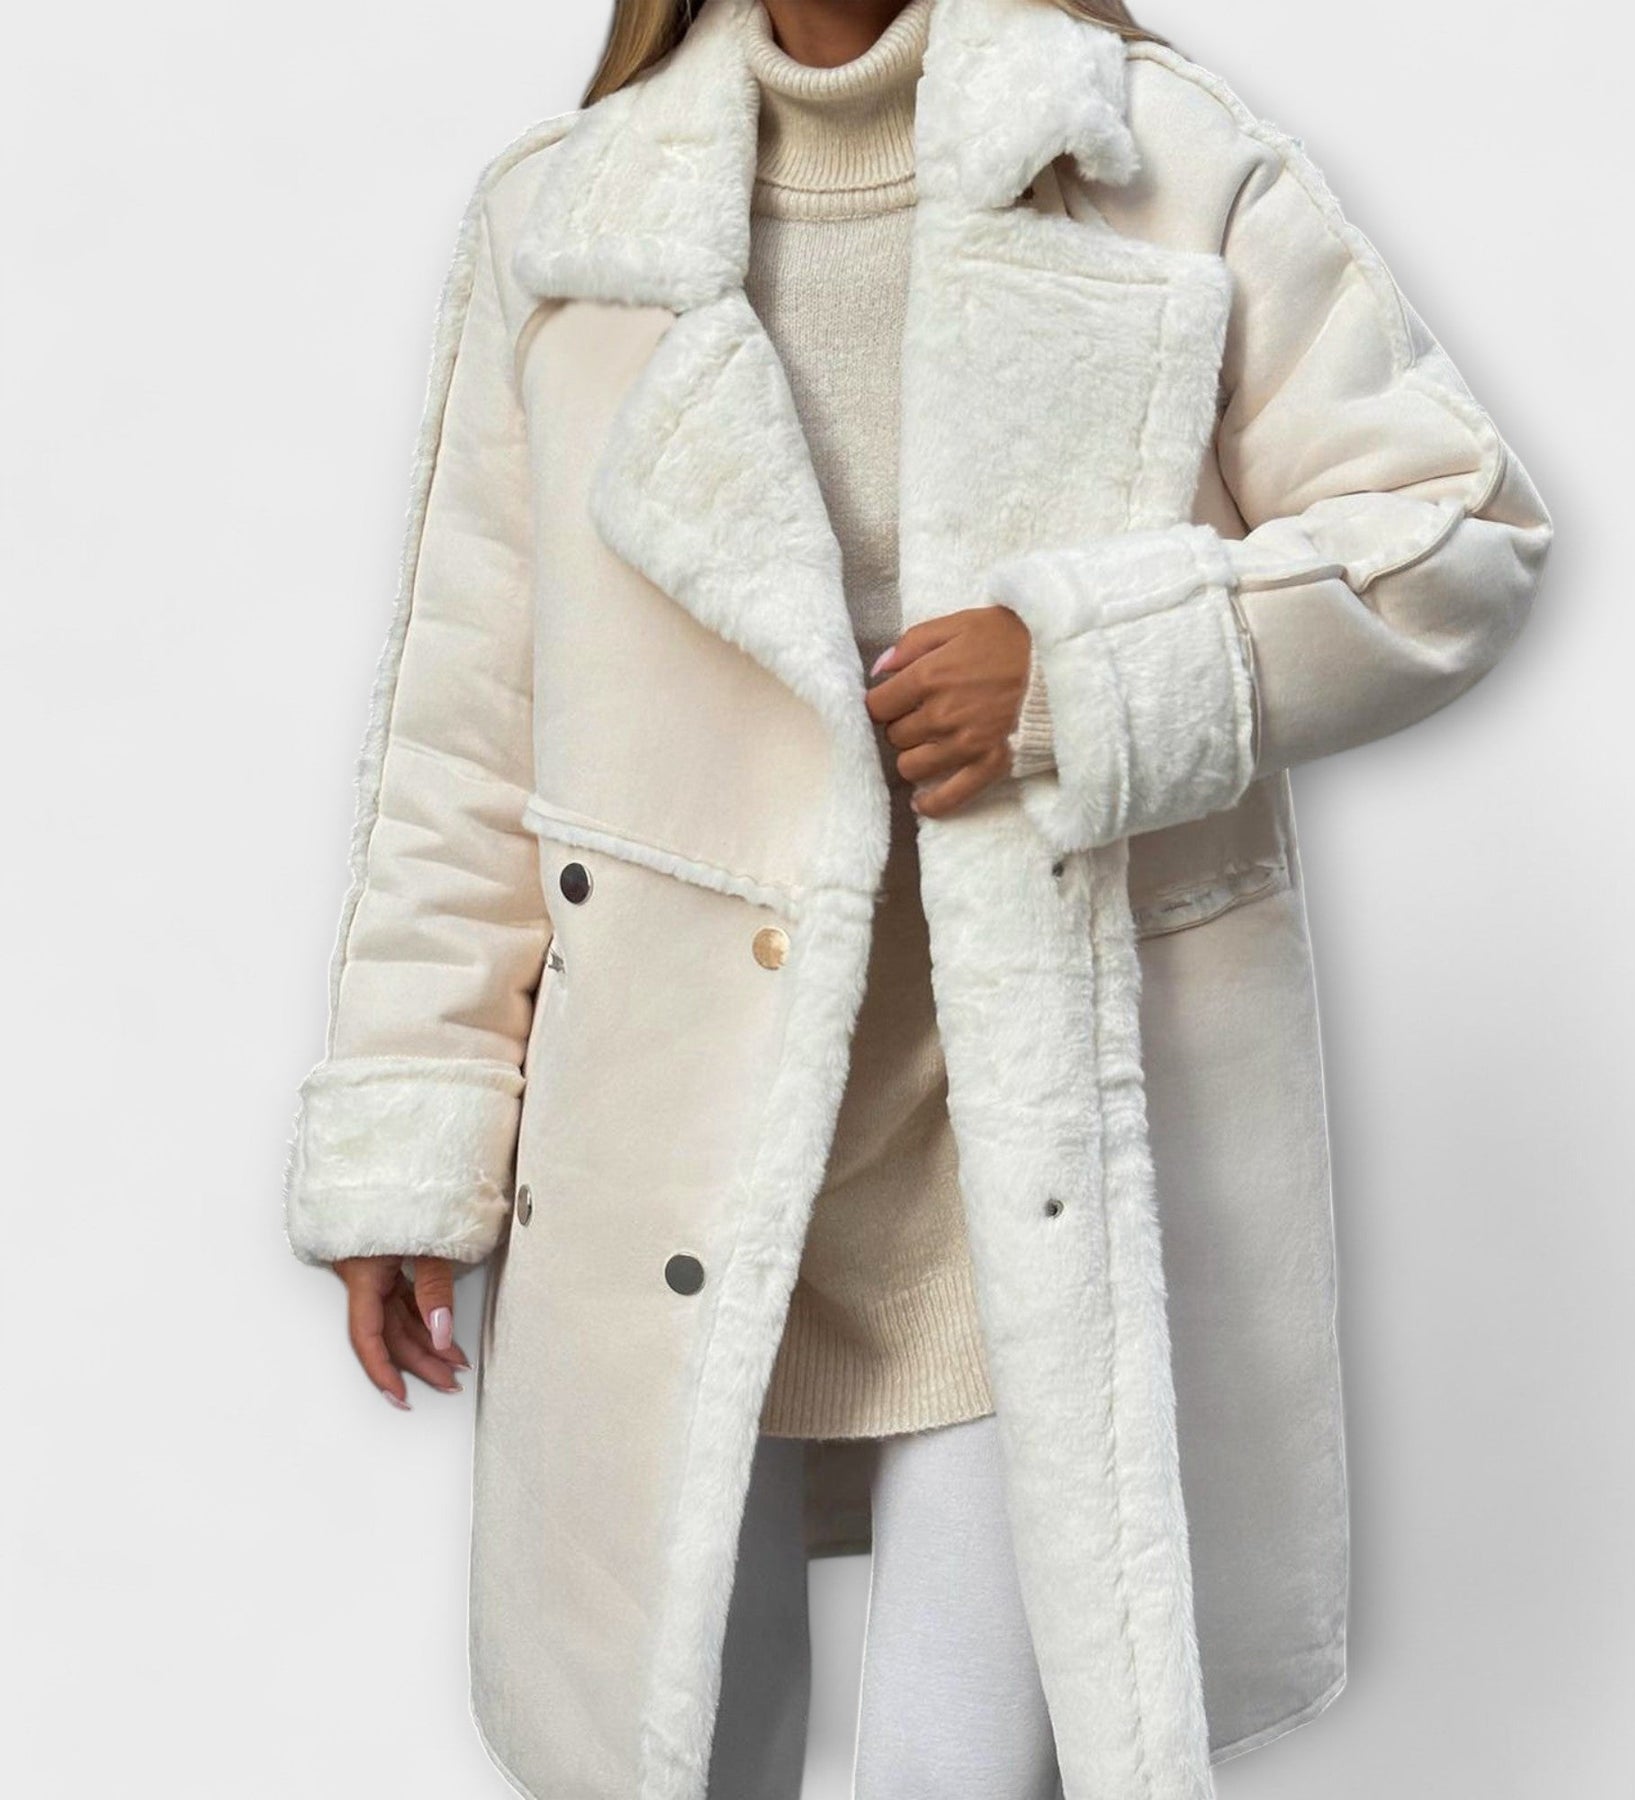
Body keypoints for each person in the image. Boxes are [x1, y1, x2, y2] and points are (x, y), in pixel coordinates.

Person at [281, 1, 1554, 1796]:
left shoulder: (1150, 157)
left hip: (1032, 1142)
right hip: (674, 1130)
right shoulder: (567, 219)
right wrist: (419, 1138)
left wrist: (1083, 671)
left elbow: (1455, 532)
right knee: (672, 1752)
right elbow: (469, 729)